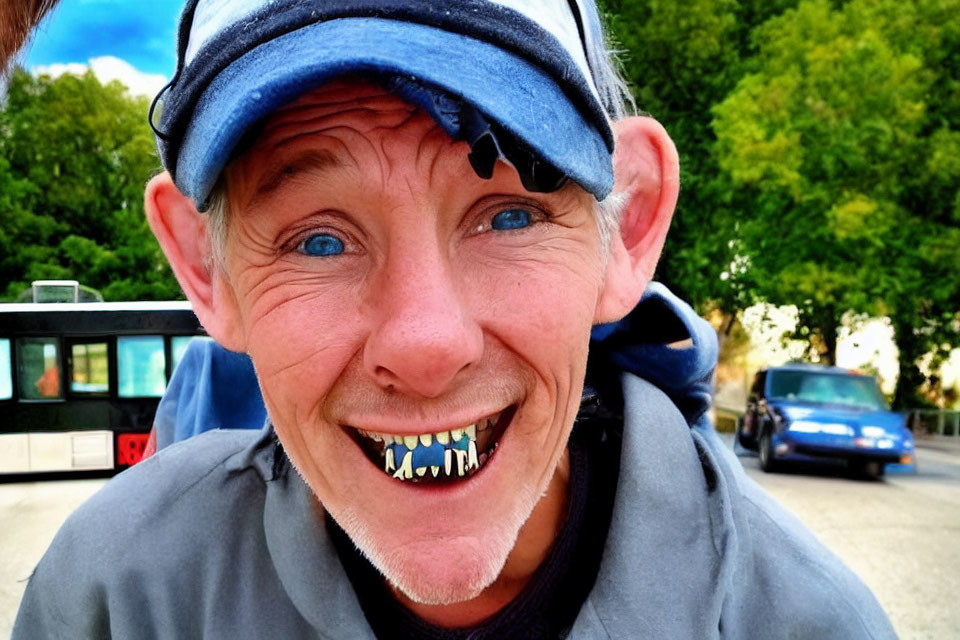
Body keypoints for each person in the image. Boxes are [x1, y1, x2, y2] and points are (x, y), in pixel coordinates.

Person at [14, 1, 897, 638]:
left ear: (626, 227)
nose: (426, 346)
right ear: (207, 271)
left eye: (509, 215)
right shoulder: (118, 597)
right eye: (319, 242)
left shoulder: (804, 622)